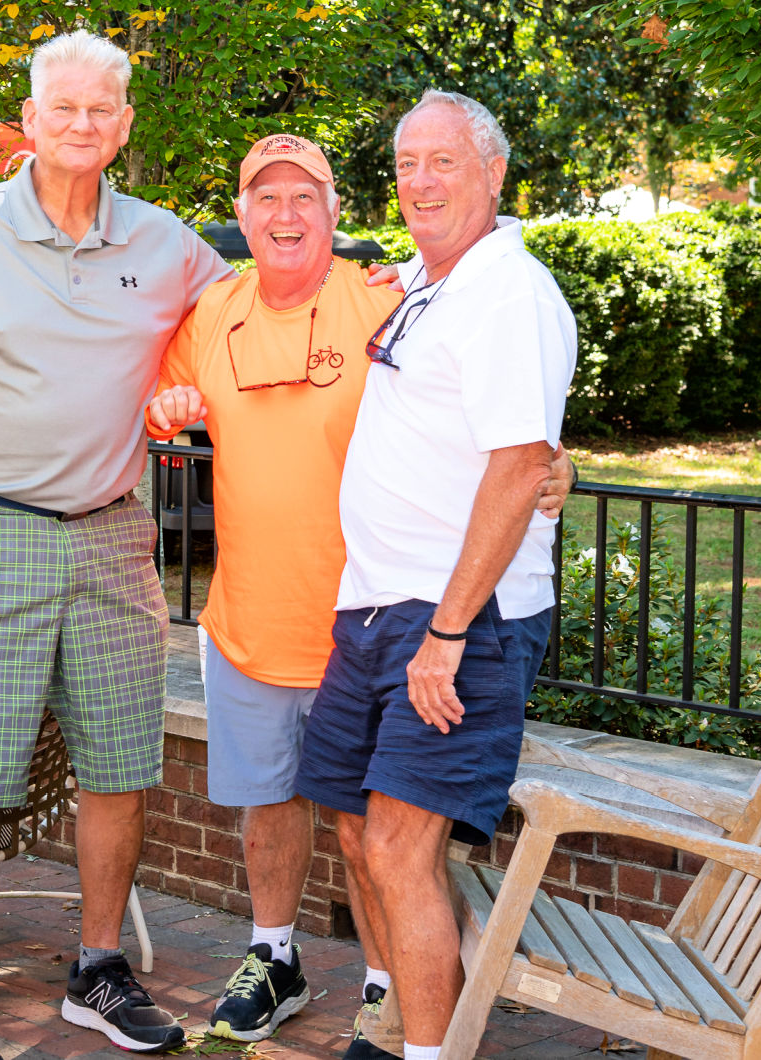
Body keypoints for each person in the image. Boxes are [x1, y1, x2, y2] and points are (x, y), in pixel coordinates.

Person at [144, 135, 573, 1050]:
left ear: (336, 212)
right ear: (244, 214)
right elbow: (158, 399)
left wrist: (545, 464)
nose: (287, 214)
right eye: (267, 198)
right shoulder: (234, 310)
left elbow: (501, 427)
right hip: (280, 617)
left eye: (307, 196)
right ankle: (290, 965)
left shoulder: (388, 296)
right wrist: (168, 409)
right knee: (304, 819)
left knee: (383, 844)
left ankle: (398, 1008)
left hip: (403, 617)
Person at [0, 29, 234, 1060]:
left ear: (121, 126)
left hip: (117, 537)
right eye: (60, 108)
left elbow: (251, 313)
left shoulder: (164, 242)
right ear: (26, 122)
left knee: (121, 770)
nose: (79, 125)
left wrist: (365, 290)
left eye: (99, 110)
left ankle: (99, 969)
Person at [294, 90, 577, 1060]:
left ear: (493, 173)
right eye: (407, 162)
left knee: (400, 847)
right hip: (375, 606)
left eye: (443, 162)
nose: (419, 181)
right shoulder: (428, 282)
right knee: (352, 828)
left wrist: (450, 633)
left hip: (459, 619)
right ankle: (406, 1018)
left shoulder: (508, 288)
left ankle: (424, 1051)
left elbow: (514, 463)